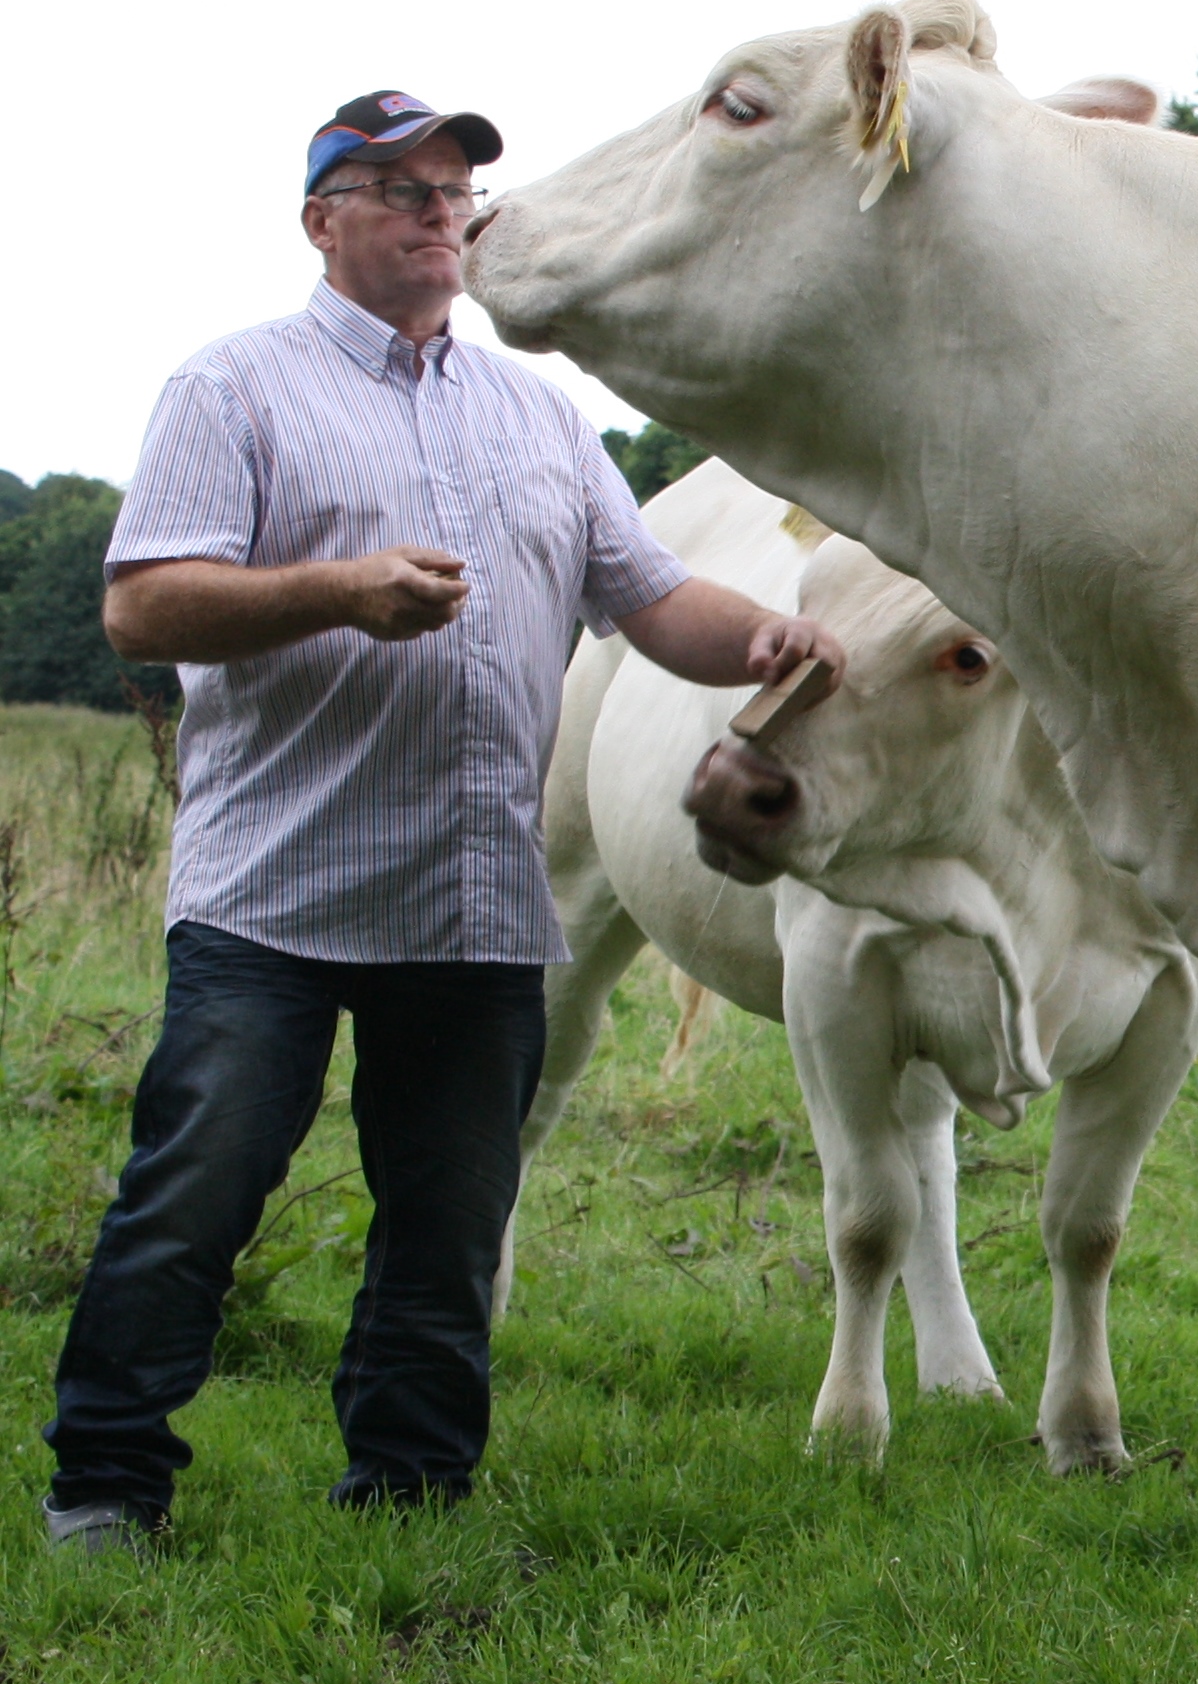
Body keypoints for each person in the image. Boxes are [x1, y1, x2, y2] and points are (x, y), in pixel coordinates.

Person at [38, 90, 845, 1553]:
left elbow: (653, 601)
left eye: (457, 185)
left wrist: (776, 641)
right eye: (399, 186)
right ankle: (104, 1486)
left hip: (478, 906)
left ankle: (407, 1498)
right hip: (271, 901)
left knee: (447, 1226)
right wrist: (336, 590)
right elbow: (144, 602)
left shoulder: (538, 414)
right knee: (194, 1200)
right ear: (321, 220)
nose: (438, 208)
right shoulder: (236, 390)